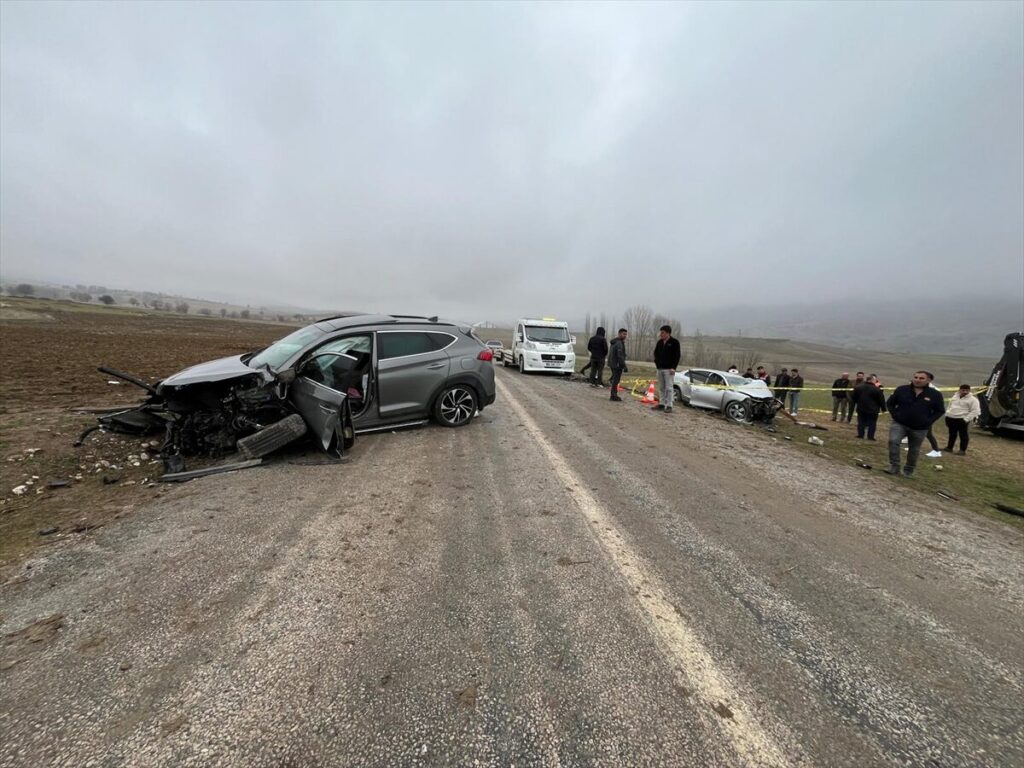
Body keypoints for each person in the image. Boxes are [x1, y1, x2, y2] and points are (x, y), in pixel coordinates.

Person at [886, 371, 946, 478]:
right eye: (916, 377)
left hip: (920, 428)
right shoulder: (902, 389)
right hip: (900, 423)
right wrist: (895, 415)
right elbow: (890, 403)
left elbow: (940, 410)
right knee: (893, 441)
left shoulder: (935, 394)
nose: (917, 380)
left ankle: (908, 470)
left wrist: (928, 421)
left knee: (914, 449)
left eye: (921, 378)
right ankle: (894, 466)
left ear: (929, 380)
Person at [944, 384, 981, 455]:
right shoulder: (955, 396)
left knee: (963, 435)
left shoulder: (973, 400)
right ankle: (949, 448)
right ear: (959, 390)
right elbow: (950, 405)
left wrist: (966, 419)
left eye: (967, 390)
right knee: (952, 434)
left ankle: (962, 450)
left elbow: (975, 411)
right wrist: (947, 413)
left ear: (969, 390)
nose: (964, 392)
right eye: (963, 390)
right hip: (951, 418)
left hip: (962, 419)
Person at [653, 325, 681, 413]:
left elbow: (677, 356)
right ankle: (661, 404)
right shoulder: (660, 342)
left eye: (662, 333)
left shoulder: (674, 342)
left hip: (669, 369)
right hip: (660, 369)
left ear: (668, 333)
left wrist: (673, 367)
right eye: (660, 332)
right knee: (661, 387)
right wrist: (657, 363)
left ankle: (669, 405)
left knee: (669, 388)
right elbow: (655, 353)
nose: (661, 334)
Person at [850, 374, 886, 439]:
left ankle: (860, 435)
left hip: (861, 408)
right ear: (872, 380)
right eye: (875, 380)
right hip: (873, 409)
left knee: (861, 422)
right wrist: (883, 408)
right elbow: (881, 400)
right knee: (872, 423)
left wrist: (857, 403)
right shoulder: (877, 389)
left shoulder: (858, 387)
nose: (876, 382)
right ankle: (870, 436)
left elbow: (854, 397)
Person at [921, 371, 943, 457]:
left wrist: (930, 418)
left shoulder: (934, 391)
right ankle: (914, 446)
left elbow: (938, 408)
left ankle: (936, 450)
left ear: (929, 380)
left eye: (922, 378)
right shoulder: (918, 388)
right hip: (917, 415)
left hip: (927, 416)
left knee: (928, 434)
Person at [607, 328, 629, 402]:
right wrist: (624, 366)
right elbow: (620, 355)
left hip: (613, 363)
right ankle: (613, 395)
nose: (625, 335)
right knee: (616, 380)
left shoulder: (615, 342)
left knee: (614, 379)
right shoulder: (619, 343)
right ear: (619, 334)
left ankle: (613, 394)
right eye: (623, 334)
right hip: (617, 364)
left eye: (626, 334)